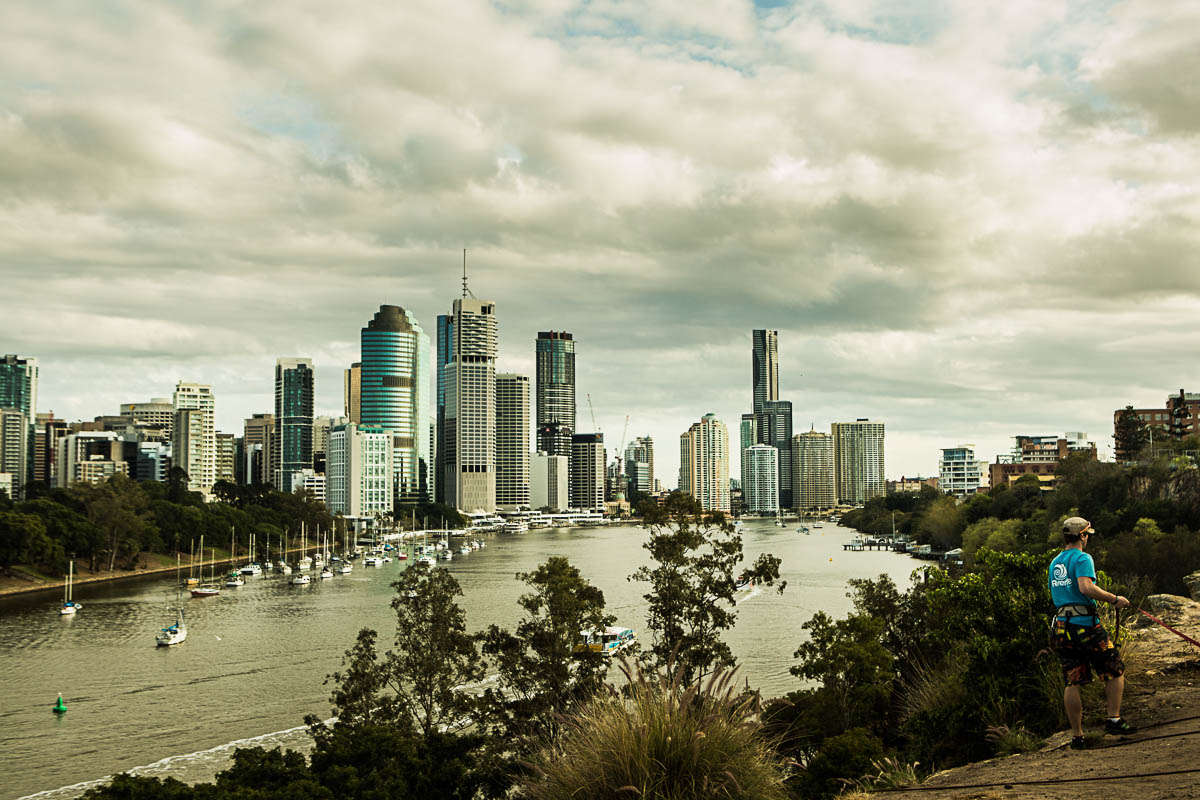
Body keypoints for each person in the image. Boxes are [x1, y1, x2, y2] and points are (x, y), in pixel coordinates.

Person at [1048, 516, 1136, 750]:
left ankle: (1077, 736)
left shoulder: (1055, 563)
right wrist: (1114, 599)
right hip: (1085, 624)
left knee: (1072, 680)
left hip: (1062, 628)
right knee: (1114, 668)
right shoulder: (1082, 558)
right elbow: (1086, 587)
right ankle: (1114, 719)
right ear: (1083, 536)